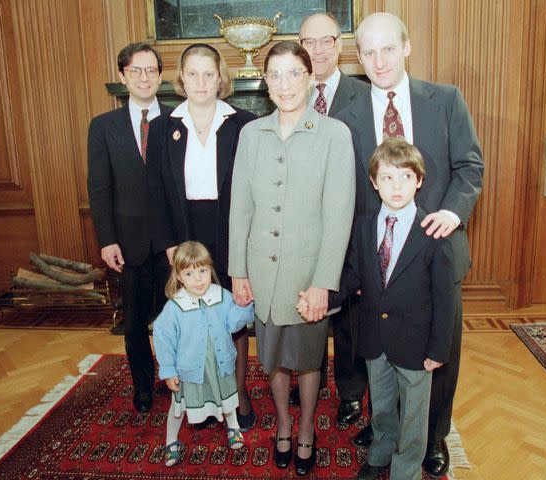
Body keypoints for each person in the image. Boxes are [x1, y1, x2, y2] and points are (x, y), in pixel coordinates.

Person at [335, 12, 484, 476]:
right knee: (380, 352)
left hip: (435, 252)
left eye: (388, 48)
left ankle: (433, 437)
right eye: (369, 52)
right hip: (377, 261)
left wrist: (454, 212)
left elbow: (470, 167)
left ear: (407, 47)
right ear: (358, 57)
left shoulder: (445, 100)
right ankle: (386, 432)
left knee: (436, 355)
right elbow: (344, 193)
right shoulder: (346, 117)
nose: (379, 61)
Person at [228, 41, 355, 476]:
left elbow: (339, 217)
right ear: (265, 82)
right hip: (262, 271)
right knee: (274, 356)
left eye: (294, 73)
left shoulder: (335, 135)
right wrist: (238, 271)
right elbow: (240, 206)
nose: (285, 84)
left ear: (310, 78)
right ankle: (282, 422)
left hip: (307, 275)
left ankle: (305, 430)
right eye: (276, 75)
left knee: (307, 358)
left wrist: (323, 282)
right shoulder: (250, 134)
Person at [299, 138, 456, 480]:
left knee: (414, 413)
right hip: (374, 338)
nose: (396, 186)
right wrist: (324, 298)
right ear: (373, 182)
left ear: (419, 180)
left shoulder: (433, 233)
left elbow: (445, 300)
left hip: (417, 344)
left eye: (404, 177)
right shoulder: (364, 225)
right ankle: (381, 451)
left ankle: (406, 469)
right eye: (386, 178)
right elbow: (354, 275)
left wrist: (438, 348)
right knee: (382, 405)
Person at [147, 43, 258, 431]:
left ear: (220, 78)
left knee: (231, 316)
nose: (200, 82)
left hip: (230, 228)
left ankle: (238, 393)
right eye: (192, 74)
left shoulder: (243, 123)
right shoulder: (162, 127)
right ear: (180, 79)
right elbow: (156, 191)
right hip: (185, 233)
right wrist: (170, 243)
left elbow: (253, 188)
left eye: (208, 74)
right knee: (195, 318)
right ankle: (203, 396)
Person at [290, 12, 370, 414]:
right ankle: (310, 376)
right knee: (308, 305)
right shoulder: (289, 92)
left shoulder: (365, 95)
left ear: (340, 45)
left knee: (350, 317)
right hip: (304, 227)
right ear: (299, 47)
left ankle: (352, 392)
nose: (318, 50)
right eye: (309, 42)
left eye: (326, 40)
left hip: (352, 225)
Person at [87, 42, 172, 413]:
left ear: (160, 76)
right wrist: (107, 240)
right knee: (135, 322)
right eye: (135, 70)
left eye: (151, 70)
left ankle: (176, 378)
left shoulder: (176, 120)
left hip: (172, 243)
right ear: (123, 76)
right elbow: (99, 186)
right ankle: (142, 386)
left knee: (175, 318)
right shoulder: (103, 127)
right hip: (129, 242)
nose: (144, 77)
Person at [152, 241, 254, 466]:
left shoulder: (222, 295)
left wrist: (245, 306)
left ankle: (233, 427)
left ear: (210, 270)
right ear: (179, 276)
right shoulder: (175, 306)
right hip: (189, 370)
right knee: (178, 408)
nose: (198, 279)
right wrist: (169, 370)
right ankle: (171, 441)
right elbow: (162, 338)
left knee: (227, 398)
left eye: (202, 271)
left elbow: (234, 323)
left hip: (219, 364)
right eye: (189, 273)